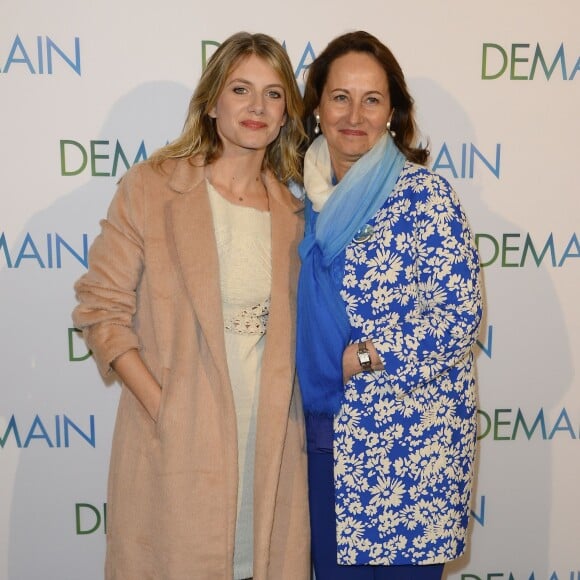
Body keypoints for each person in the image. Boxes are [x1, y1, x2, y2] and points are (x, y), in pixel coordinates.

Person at [73, 32, 310, 580]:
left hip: (272, 439)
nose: (257, 107)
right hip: (177, 444)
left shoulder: (297, 213)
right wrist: (165, 406)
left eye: (274, 95)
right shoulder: (151, 189)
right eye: (241, 89)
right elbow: (100, 308)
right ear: (211, 102)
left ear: (285, 115)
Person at [296, 31, 483, 579]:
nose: (355, 114)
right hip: (321, 440)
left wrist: (364, 359)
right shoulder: (291, 197)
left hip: (410, 453)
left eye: (372, 99)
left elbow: (457, 318)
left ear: (392, 112)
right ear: (317, 107)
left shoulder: (426, 196)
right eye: (340, 97)